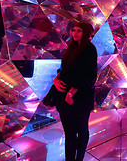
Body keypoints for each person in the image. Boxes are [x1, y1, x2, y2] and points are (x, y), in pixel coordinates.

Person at [53, 22, 97, 161]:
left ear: (86, 33)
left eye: (79, 31)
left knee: (82, 130)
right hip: (64, 95)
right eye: (74, 30)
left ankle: (79, 159)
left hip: (81, 97)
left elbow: (89, 76)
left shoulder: (89, 49)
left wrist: (72, 92)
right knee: (70, 133)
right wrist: (56, 79)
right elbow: (64, 69)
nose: (75, 33)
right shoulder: (71, 47)